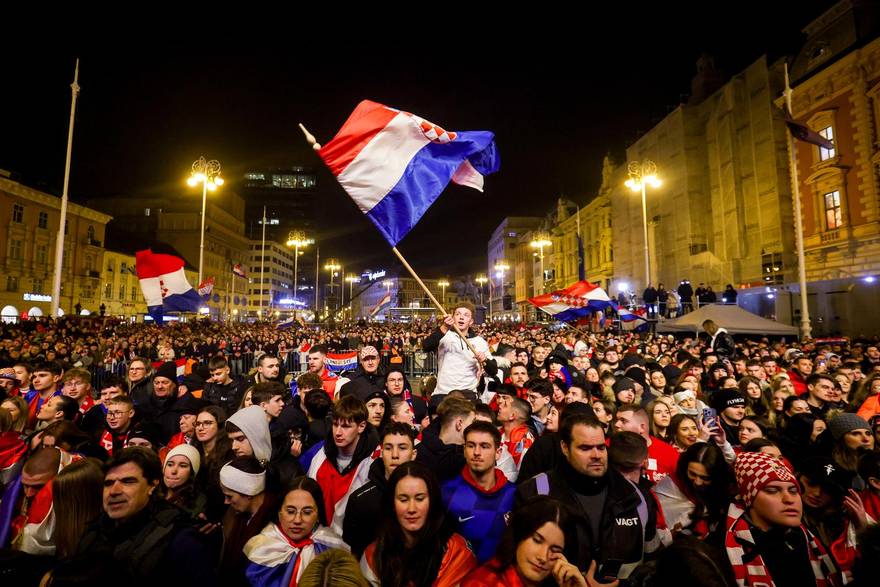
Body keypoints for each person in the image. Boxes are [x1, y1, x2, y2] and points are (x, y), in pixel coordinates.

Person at [515, 413, 659, 579]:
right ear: (564, 448)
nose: (596, 455)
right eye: (585, 448)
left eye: (601, 447)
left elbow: (653, 564)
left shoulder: (637, 496)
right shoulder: (533, 492)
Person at [58, 447, 216, 583]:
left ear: (152, 485)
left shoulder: (180, 540)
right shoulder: (94, 531)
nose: (114, 491)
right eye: (108, 483)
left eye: (128, 481)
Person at [725, 451, 840, 586]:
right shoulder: (727, 553)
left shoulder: (806, 539)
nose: (788, 499)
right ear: (749, 498)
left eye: (793, 491)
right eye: (772, 490)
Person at [360, 461, 477, 587]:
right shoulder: (373, 557)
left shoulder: (458, 552)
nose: (412, 509)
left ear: (432, 501)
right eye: (403, 499)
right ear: (392, 504)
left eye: (420, 498)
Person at [463, 495, 600, 587]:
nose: (543, 557)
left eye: (555, 550)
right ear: (519, 535)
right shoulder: (481, 583)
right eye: (537, 540)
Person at [243, 476, 349, 586]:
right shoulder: (261, 547)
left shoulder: (333, 547)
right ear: (279, 512)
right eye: (290, 511)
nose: (297, 520)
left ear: (318, 515)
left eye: (307, 512)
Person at [442, 421, 516, 564]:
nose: (476, 452)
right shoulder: (446, 493)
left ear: (498, 453)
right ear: (464, 450)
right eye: (471, 445)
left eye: (484, 446)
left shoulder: (514, 494)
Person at [344, 422, 418, 558]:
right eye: (388, 448)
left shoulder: (426, 495)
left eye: (402, 448)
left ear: (413, 454)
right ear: (381, 452)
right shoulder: (360, 500)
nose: (395, 455)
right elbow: (354, 552)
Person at [307, 395, 378, 532]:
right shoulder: (320, 456)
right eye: (335, 424)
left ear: (361, 426)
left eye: (345, 426)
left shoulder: (373, 462)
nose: (338, 432)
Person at [653, 442, 731, 539]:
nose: (698, 482)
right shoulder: (667, 488)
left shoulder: (722, 491)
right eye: (692, 474)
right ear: (684, 468)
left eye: (705, 478)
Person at [220, 456, 279, 581]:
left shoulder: (273, 523)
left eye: (229, 496)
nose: (226, 502)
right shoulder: (239, 515)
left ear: (248, 493)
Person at [422, 302, 495, 399]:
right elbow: (425, 346)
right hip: (443, 393)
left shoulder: (480, 342)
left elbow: (493, 370)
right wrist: (444, 327)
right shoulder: (444, 336)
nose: (461, 317)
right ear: (452, 318)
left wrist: (484, 360)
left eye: (466, 315)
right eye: (457, 314)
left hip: (468, 394)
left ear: (471, 321)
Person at [612, 404, 679, 483]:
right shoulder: (606, 447)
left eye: (623, 421)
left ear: (642, 427)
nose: (616, 425)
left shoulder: (669, 453)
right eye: (617, 420)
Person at [415, 397, 476, 483]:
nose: (475, 428)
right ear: (459, 424)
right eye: (472, 422)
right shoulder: (466, 459)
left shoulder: (418, 451)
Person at [160, 444, 207, 518]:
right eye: (170, 464)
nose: (174, 471)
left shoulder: (198, 502)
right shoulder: (151, 491)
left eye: (183, 466)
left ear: (192, 472)